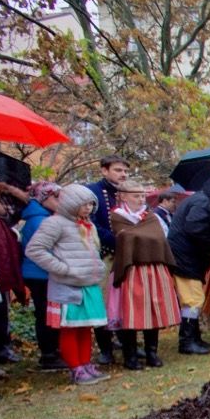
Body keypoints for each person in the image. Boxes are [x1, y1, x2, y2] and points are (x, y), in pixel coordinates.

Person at [25, 184, 110, 385]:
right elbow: (35, 250)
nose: (88, 208)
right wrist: (62, 269)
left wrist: (97, 268)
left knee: (85, 326)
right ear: (71, 203)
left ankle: (85, 363)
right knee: (70, 328)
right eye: (84, 204)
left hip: (88, 283)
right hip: (68, 286)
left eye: (91, 204)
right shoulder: (54, 223)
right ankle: (75, 367)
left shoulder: (87, 225)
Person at [108, 180, 181, 370]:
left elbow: (157, 238)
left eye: (142, 195)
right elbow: (123, 236)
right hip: (130, 269)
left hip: (154, 268)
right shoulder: (117, 216)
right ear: (123, 196)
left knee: (153, 310)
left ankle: (152, 352)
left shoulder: (150, 217)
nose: (140, 199)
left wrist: (135, 237)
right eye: (135, 195)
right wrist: (139, 237)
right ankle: (130, 355)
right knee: (130, 313)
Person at [167, 178, 210, 355]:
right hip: (185, 258)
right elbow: (194, 228)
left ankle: (195, 338)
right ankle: (187, 342)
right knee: (192, 299)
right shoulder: (202, 202)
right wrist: (209, 244)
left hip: (187, 257)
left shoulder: (200, 200)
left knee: (194, 298)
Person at [86, 155, 130, 364]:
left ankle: (126, 343)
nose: (122, 175)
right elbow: (93, 223)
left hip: (125, 256)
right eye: (118, 170)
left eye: (124, 171)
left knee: (123, 301)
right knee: (103, 302)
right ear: (104, 170)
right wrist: (117, 241)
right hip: (105, 255)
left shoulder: (125, 193)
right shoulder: (93, 192)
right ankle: (106, 349)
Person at [20, 182, 68, 370]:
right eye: (56, 197)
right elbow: (44, 250)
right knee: (47, 315)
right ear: (43, 198)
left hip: (42, 273)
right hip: (41, 274)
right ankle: (49, 354)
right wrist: (61, 266)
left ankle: (52, 351)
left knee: (47, 313)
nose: (60, 202)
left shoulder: (42, 216)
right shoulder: (40, 220)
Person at [0, 179, 29, 365]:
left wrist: (9, 189)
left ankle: (1, 348)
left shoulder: (2, 207)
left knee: (0, 309)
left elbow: (27, 202)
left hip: (1, 265)